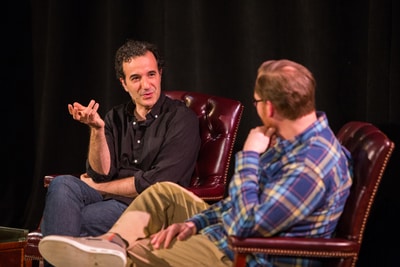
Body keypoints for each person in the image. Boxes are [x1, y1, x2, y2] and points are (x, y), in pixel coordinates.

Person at [39, 59, 353, 267]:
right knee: (164, 193)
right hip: (230, 230)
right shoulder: (291, 140)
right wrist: (194, 222)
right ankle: (112, 242)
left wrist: (250, 156)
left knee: (137, 255)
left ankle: (119, 255)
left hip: (245, 252)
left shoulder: (310, 166)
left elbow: (245, 227)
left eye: (257, 102)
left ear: (269, 107)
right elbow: (238, 206)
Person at [40, 39, 201, 266]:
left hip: (144, 208)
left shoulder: (181, 119)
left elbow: (157, 184)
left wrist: (97, 188)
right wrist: (97, 129)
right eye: (136, 78)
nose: (146, 85)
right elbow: (100, 173)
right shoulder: (115, 118)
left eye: (151, 74)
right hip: (106, 200)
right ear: (123, 83)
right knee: (62, 184)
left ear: (160, 74)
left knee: (62, 223)